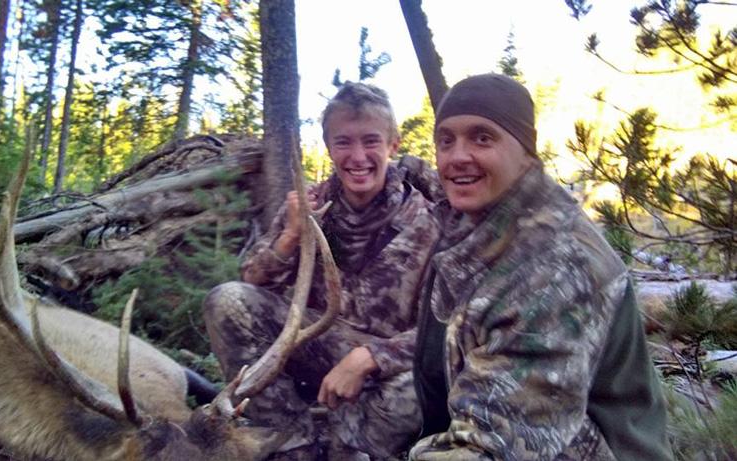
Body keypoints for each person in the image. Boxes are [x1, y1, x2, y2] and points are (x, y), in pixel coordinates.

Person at [410, 74, 672, 461]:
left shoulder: (557, 266)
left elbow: (495, 445)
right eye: (445, 140)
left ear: (527, 153)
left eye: (482, 137)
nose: (457, 156)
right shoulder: (474, 226)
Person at [204, 82, 440, 460]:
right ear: (328, 147)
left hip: (388, 370)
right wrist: (292, 235)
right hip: (314, 350)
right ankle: (291, 443)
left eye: (371, 141)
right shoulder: (308, 204)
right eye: (343, 142)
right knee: (226, 300)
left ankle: (346, 445)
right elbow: (251, 283)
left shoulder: (429, 220)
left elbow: (442, 330)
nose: (357, 156)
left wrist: (370, 356)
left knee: (425, 384)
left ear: (393, 145)